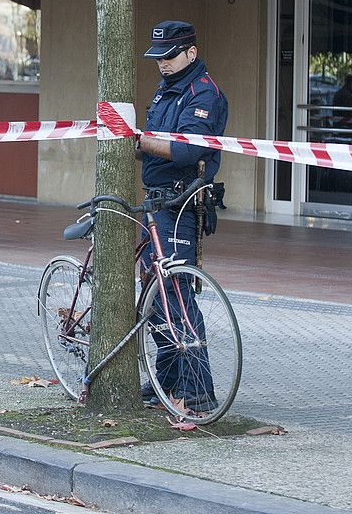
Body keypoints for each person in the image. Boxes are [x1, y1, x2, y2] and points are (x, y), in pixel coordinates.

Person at [136, 21, 229, 411]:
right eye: (158, 58)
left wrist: (140, 142)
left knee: (176, 292)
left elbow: (189, 152)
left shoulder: (202, 92)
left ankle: (197, 390)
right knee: (155, 296)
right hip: (156, 203)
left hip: (181, 205)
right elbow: (158, 144)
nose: (163, 64)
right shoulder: (166, 90)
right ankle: (169, 379)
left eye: (170, 56)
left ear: (191, 52)